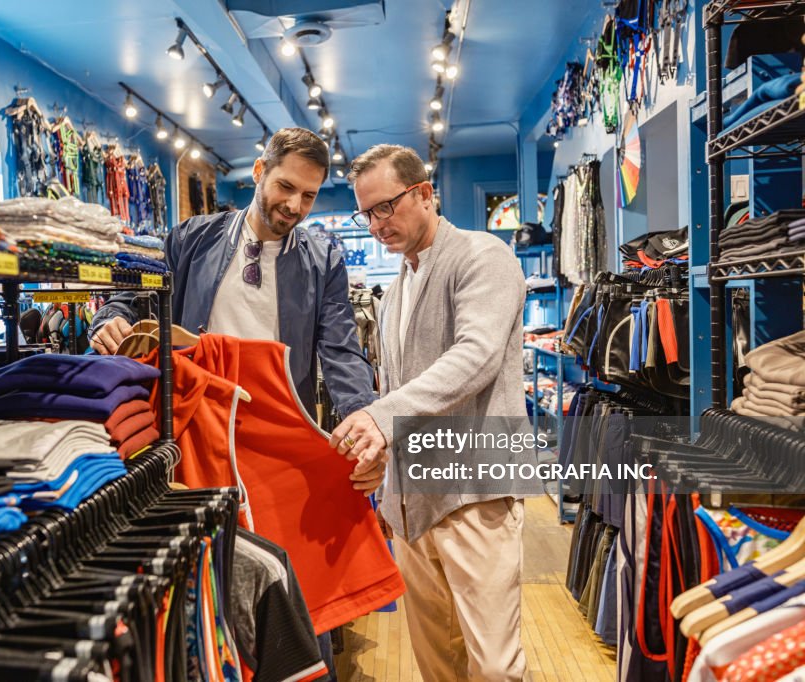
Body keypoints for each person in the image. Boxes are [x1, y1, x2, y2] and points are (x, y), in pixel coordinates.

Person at [90, 127, 383, 677]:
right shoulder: (190, 239)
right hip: (190, 437)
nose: (295, 205)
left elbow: (342, 353)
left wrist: (364, 424)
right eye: (285, 186)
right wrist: (113, 320)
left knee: (289, 588)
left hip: (275, 438)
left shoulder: (323, 258)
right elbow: (128, 296)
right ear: (258, 171)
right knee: (207, 579)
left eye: (310, 195)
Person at [330, 144, 533, 681]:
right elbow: (403, 388)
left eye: (385, 207)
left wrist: (381, 417)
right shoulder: (396, 290)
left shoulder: (482, 256)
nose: (376, 225)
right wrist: (382, 458)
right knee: (437, 660)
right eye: (365, 212)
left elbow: (477, 355)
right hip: (414, 503)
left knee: (493, 665)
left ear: (423, 193)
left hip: (475, 495)